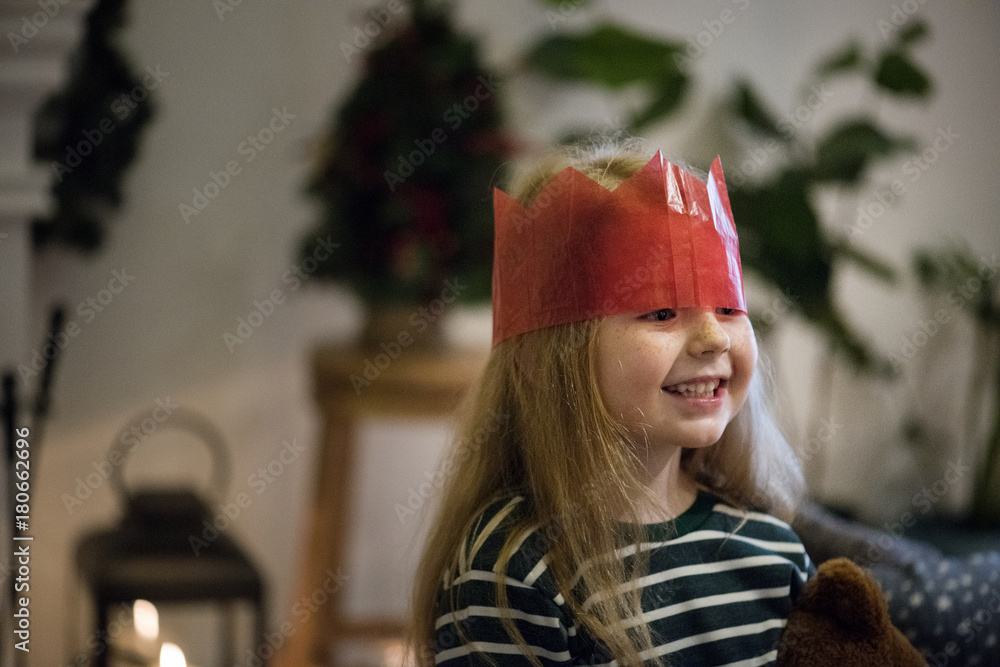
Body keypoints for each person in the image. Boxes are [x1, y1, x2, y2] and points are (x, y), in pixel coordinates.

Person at [407, 138, 814, 667]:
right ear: (546, 361)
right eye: (662, 312)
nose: (714, 338)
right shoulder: (513, 574)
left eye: (728, 306)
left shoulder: (772, 552)